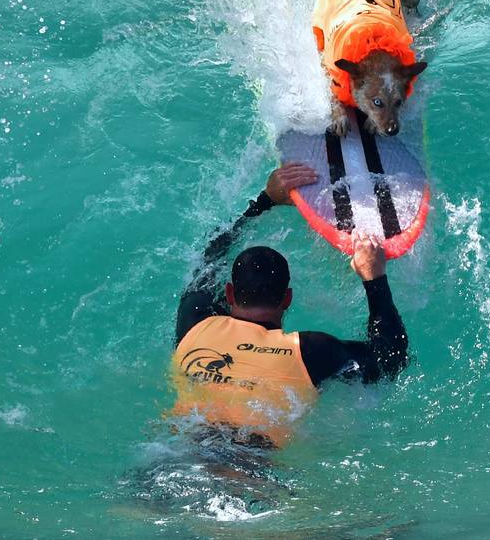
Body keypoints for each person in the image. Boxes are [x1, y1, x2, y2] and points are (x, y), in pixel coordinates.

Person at [171, 162, 409, 447]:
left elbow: (208, 260)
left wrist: (262, 202)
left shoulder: (194, 322)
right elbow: (391, 358)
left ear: (230, 293)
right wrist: (374, 277)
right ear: (287, 299)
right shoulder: (308, 352)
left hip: (175, 448)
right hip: (248, 467)